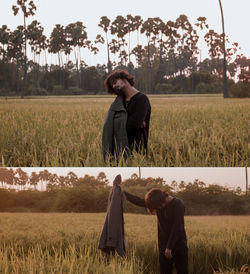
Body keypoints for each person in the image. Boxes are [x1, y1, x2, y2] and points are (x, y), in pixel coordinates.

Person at [124, 188, 188, 274]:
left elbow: (177, 227)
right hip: (163, 247)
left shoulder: (177, 204)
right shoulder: (157, 202)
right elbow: (140, 201)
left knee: (182, 271)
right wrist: (123, 193)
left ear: (163, 201)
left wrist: (169, 248)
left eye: (157, 207)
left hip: (179, 247)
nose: (157, 209)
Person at [102, 69, 151, 160]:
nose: (114, 86)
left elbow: (133, 125)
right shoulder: (119, 101)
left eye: (114, 82)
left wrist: (118, 121)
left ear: (123, 78)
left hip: (137, 148)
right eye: (112, 85)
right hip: (119, 148)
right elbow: (134, 123)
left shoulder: (142, 99)